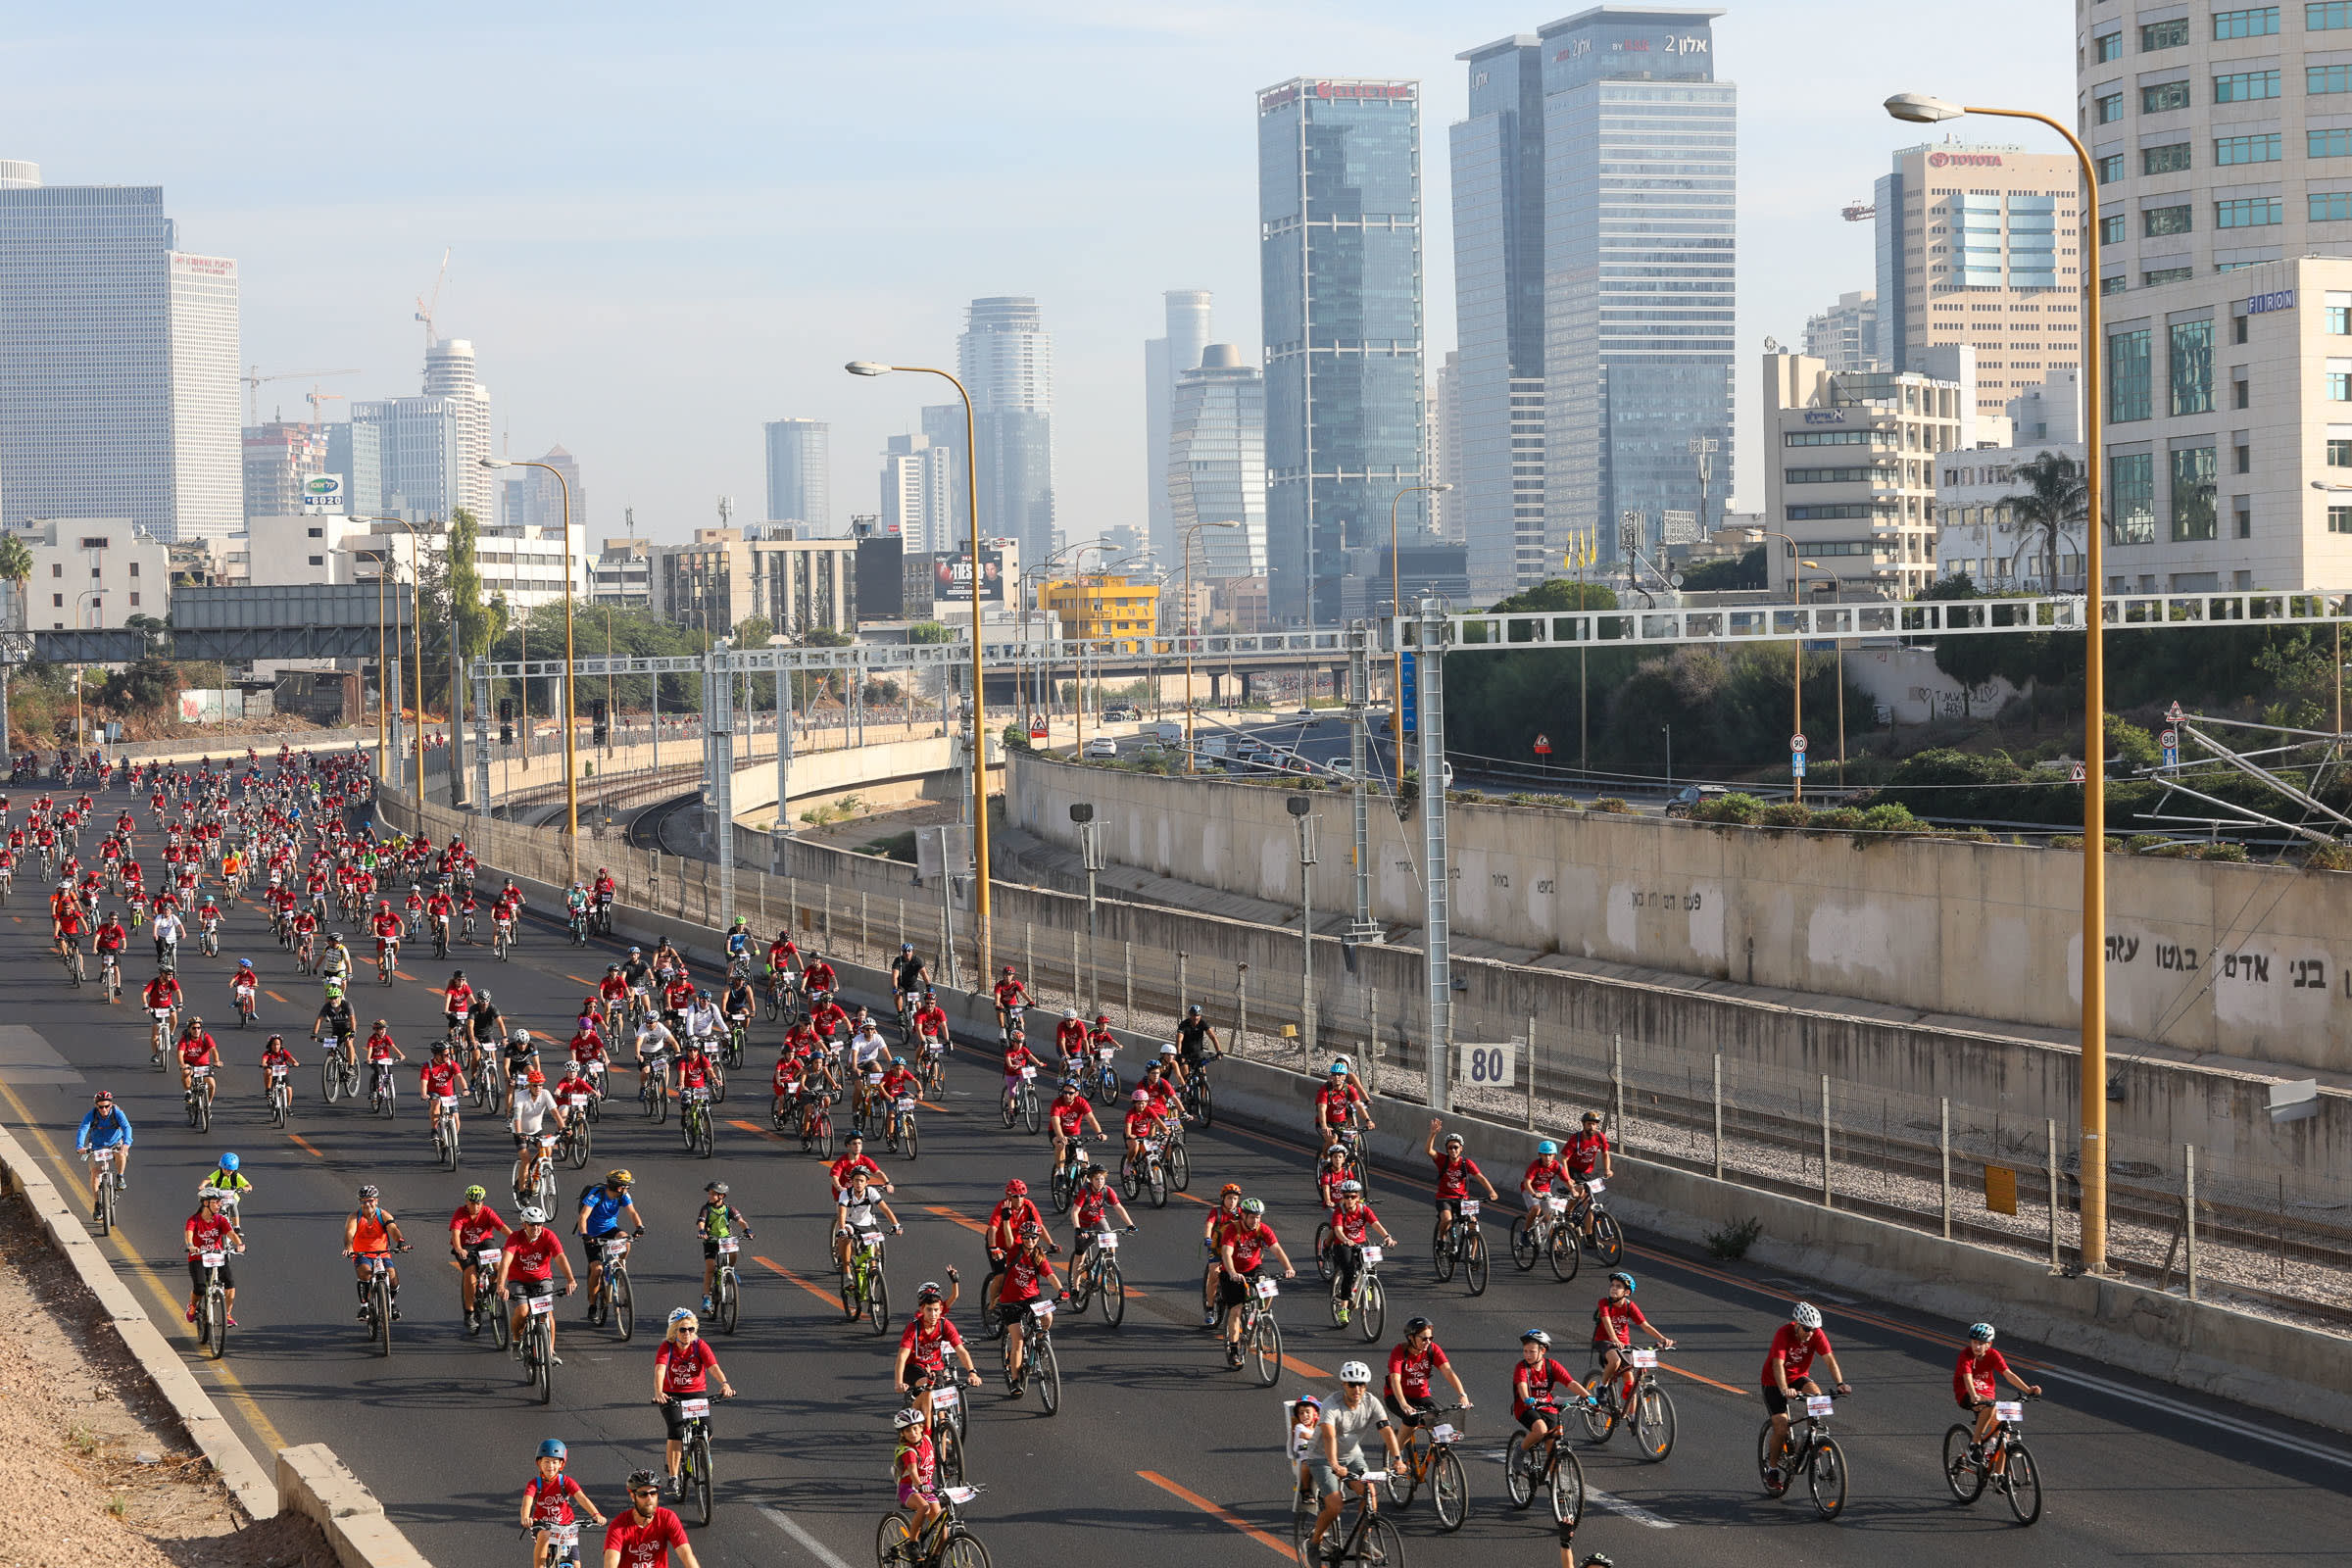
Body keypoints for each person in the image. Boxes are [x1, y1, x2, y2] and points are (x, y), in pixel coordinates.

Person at [1304, 1360, 1402, 1564]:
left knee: (1370, 1493)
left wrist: (1397, 1459)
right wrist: (1334, 1465)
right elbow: (1329, 1437)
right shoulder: (1331, 1405)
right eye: (1352, 1384)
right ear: (1343, 1384)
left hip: (1352, 1455)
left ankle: (1364, 1541)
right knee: (1335, 1505)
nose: (1357, 1389)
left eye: (1361, 1384)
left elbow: (1386, 1430)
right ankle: (1314, 1542)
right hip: (1323, 1458)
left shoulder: (1371, 1402)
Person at [1762, 1301, 1851, 1491]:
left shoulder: (1816, 1334)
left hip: (1798, 1377)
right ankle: (1772, 1470)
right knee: (1781, 1426)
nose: (1810, 1333)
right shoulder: (1783, 1333)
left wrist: (1840, 1383)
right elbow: (1778, 1364)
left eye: (1814, 1329)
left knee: (1817, 1395)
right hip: (1774, 1381)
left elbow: (1829, 1359)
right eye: (1807, 1329)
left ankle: (1811, 1439)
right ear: (1796, 1324)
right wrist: (1784, 1389)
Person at [653, 1308, 734, 1498]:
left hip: (696, 1394)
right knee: (677, 1432)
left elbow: (713, 1366)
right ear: (674, 1331)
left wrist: (724, 1383)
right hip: (672, 1395)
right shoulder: (667, 1347)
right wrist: (658, 1392)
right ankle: (673, 1477)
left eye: (691, 1329)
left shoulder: (699, 1345)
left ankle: (700, 1452)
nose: (687, 1333)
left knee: (708, 1429)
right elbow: (660, 1370)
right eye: (682, 1330)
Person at [1953, 1323, 2040, 1476]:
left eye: (1981, 1343)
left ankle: (1998, 1476)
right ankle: (1975, 1444)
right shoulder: (1966, 1355)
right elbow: (1967, 1377)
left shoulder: (1993, 1355)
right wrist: (1973, 1395)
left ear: (1989, 1344)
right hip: (1966, 1394)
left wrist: (2028, 1390)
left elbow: (2008, 1374)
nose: (1977, 1346)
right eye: (1974, 1342)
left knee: (2004, 1432)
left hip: (1988, 1397)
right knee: (1991, 1407)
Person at [1217, 1197, 1295, 1365]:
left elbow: (1277, 1249)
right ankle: (1234, 1350)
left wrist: (1289, 1268)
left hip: (1253, 1267)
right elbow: (1226, 1253)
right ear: (1243, 1216)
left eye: (1258, 1217)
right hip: (1232, 1272)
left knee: (1269, 1286)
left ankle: (1262, 1314)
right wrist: (1232, 1272)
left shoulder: (1262, 1229)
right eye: (1252, 1217)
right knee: (1236, 1310)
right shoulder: (1232, 1229)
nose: (1256, 1221)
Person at [495, 1205, 577, 1363]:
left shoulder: (548, 1236)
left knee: (547, 1314)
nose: (536, 1228)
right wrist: (501, 1286)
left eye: (539, 1224)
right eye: (532, 1224)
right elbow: (505, 1262)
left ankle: (550, 1351)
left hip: (542, 1280)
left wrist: (570, 1280)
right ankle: (516, 1341)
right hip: (518, 1281)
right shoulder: (514, 1238)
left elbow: (560, 1257)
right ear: (523, 1225)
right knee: (522, 1312)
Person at [993, 1221, 1061, 1396]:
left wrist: (1061, 1290)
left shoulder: (1039, 1256)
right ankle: (1016, 1380)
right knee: (1018, 1340)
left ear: (1038, 1238)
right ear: (1022, 1238)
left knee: (1047, 1317)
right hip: (1010, 1300)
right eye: (1026, 1237)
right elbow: (1008, 1237)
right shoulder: (1014, 1251)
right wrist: (1006, 1221)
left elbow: (1050, 1275)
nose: (1030, 1240)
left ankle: (1039, 1343)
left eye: (1034, 1237)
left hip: (1031, 1297)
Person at [1509, 1329, 1592, 1470]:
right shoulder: (1521, 1368)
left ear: (1543, 1351)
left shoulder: (1551, 1366)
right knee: (1541, 1430)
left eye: (1531, 1351)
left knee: (1553, 1450)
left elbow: (1570, 1383)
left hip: (1548, 1407)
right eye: (1525, 1351)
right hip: (1526, 1408)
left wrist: (1587, 1396)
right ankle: (1520, 1452)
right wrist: (1527, 1398)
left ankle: (1554, 1482)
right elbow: (1522, 1385)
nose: (1527, 1355)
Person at [519, 1438, 607, 1568]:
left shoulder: (566, 1482)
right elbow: (527, 1501)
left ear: (561, 1464)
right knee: (544, 1535)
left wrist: (596, 1514)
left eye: (555, 1462)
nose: (550, 1466)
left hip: (566, 1526)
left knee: (576, 1564)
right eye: (546, 1461)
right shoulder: (534, 1484)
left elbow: (582, 1498)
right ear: (539, 1463)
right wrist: (525, 1518)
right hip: (542, 1525)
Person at [1592, 1271, 1676, 1401]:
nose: (1613, 1288)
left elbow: (1645, 1325)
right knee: (1615, 1361)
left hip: (1624, 1344)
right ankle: (1602, 1387)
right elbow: (1606, 1321)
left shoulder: (1629, 1306)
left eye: (1618, 1286)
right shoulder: (1604, 1302)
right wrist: (1615, 1339)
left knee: (1631, 1385)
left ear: (1627, 1292)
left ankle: (1630, 1414)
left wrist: (1662, 1338)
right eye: (1612, 1285)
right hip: (1604, 1340)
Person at [575, 1170, 645, 1320]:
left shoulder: (623, 1196)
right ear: (619, 1187)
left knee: (625, 1241)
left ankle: (619, 1268)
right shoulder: (596, 1195)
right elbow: (583, 1216)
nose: (627, 1189)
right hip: (592, 1235)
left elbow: (632, 1212)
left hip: (610, 1229)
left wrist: (639, 1226)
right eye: (626, 1186)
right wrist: (585, 1234)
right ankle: (592, 1305)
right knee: (597, 1270)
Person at [894, 1281, 983, 1396]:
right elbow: (902, 1356)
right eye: (929, 1310)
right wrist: (898, 1383)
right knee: (929, 1387)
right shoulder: (913, 1327)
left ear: (941, 1309)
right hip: (914, 1367)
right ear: (922, 1310)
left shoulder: (945, 1324)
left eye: (936, 1310)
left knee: (944, 1390)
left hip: (935, 1367)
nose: (933, 1314)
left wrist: (972, 1372)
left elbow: (961, 1350)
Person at [1325, 1181, 1393, 1326]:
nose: (1349, 1199)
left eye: (1353, 1196)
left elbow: (1375, 1224)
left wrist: (1387, 1237)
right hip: (1343, 1245)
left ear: (1358, 1197)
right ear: (1342, 1197)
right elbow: (1338, 1230)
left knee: (1370, 1267)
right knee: (1349, 1272)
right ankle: (1343, 1308)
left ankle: (1367, 1285)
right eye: (1346, 1196)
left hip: (1361, 1243)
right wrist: (1345, 1239)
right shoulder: (1339, 1212)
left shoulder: (1364, 1210)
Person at [602, 1469, 700, 1568]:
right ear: (633, 1496)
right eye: (643, 1494)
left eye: (653, 1493)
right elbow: (611, 1560)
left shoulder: (667, 1518)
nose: (649, 1499)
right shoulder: (619, 1525)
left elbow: (686, 1554)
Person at [1387, 1315, 1472, 1428]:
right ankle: (1398, 1440)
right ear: (1411, 1338)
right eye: (1424, 1339)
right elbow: (1395, 1379)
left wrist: (1462, 1395)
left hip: (1420, 1394)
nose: (1428, 1342)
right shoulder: (1399, 1351)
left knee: (1436, 1420)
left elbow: (1448, 1371)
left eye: (1430, 1338)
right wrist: (1403, 1404)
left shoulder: (1432, 1349)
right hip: (1396, 1395)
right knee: (1412, 1419)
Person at [981, 1178, 1047, 1316]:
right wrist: (993, 1247)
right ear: (1008, 1196)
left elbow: (1039, 1227)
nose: (1019, 1199)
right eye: (1015, 1196)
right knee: (1000, 1276)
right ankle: (991, 1307)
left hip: (1017, 1245)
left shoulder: (1028, 1205)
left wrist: (1051, 1244)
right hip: (998, 1244)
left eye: (1022, 1196)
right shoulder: (1002, 1206)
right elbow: (992, 1228)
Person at [344, 1185, 410, 1320]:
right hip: (362, 1254)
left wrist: (400, 1241)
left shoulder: (383, 1215)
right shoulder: (354, 1217)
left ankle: (391, 1304)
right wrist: (349, 1247)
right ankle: (364, 1307)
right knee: (365, 1274)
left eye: (370, 1200)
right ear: (360, 1202)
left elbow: (393, 1229)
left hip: (382, 1253)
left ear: (376, 1200)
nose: (367, 1204)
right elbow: (349, 1233)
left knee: (393, 1279)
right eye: (363, 1201)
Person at [449, 1185, 511, 1329]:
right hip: (466, 1246)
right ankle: (469, 1312)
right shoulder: (460, 1213)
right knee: (470, 1274)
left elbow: (502, 1227)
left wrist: (516, 1241)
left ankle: (493, 1288)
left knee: (498, 1266)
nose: (476, 1207)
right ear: (466, 1202)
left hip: (485, 1242)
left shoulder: (487, 1212)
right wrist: (459, 1249)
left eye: (479, 1203)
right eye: (472, 1203)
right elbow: (456, 1233)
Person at [183, 1186, 244, 1327]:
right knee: (200, 1287)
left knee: (229, 1283)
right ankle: (192, 1306)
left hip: (217, 1257)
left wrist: (239, 1244)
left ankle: (227, 1314)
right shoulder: (194, 1220)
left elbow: (231, 1233)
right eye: (216, 1202)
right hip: (198, 1258)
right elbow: (189, 1234)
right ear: (206, 1203)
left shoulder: (220, 1219)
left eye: (220, 1202)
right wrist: (191, 1245)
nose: (219, 1205)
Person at [1426, 1120, 1500, 1237]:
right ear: (1447, 1149)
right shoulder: (1442, 1160)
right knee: (1447, 1219)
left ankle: (1474, 1249)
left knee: (1473, 1225)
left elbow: (1481, 1178)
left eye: (1456, 1147)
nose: (1453, 1150)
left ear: (1461, 1148)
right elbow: (1429, 1151)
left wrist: (1492, 1191)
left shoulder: (1466, 1163)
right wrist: (1433, 1134)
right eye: (1450, 1147)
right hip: (1444, 1198)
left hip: (1462, 1199)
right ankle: (1441, 1239)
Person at [694, 1182, 755, 1316]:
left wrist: (747, 1230)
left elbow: (741, 1221)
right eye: (710, 1193)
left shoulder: (729, 1209)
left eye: (713, 1194)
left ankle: (730, 1271)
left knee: (733, 1253)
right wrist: (702, 1231)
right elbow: (701, 1221)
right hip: (711, 1240)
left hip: (726, 1239)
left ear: (721, 1196)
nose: (710, 1196)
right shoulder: (706, 1208)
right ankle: (706, 1298)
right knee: (710, 1268)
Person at [891, 1406, 945, 1552]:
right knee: (924, 1507)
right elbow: (913, 1472)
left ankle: (935, 1558)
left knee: (943, 1530)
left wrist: (930, 1392)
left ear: (921, 1428)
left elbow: (927, 1412)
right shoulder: (909, 1451)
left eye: (915, 1429)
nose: (913, 1433)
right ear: (902, 1433)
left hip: (927, 1488)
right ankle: (913, 1542)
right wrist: (920, 1485)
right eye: (908, 1431)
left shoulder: (926, 1438)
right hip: (909, 1489)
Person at [834, 1166, 902, 1274]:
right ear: (852, 1181)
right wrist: (842, 1229)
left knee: (872, 1241)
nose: (859, 1183)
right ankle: (847, 1271)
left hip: (866, 1223)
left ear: (867, 1183)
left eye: (862, 1181)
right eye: (856, 1180)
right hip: (850, 1222)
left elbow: (885, 1209)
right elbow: (842, 1213)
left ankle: (873, 1268)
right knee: (846, 1237)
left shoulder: (871, 1192)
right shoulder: (845, 1194)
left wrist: (896, 1224)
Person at [1565, 1111, 1613, 1241]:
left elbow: (1605, 1153)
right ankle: (1568, 1212)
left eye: (1594, 1124)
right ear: (1583, 1124)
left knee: (1589, 1205)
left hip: (1587, 1172)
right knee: (1579, 1192)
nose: (1592, 1127)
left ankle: (1589, 1236)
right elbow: (1564, 1158)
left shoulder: (1600, 1137)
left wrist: (1607, 1169)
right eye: (1589, 1124)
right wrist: (1567, 1178)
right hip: (1573, 1170)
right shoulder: (1576, 1139)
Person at [1047, 1079, 1102, 1174]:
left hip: (1074, 1134)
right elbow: (1055, 1122)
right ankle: (1060, 1173)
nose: (1067, 1095)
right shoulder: (1057, 1103)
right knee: (1060, 1144)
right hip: (1057, 1132)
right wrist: (1061, 1136)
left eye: (1070, 1093)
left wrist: (1099, 1133)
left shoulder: (1081, 1102)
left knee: (1084, 1162)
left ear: (1077, 1093)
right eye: (1065, 1092)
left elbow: (1091, 1119)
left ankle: (1081, 1181)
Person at [1314, 1061, 1372, 1149]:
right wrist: (1324, 1126)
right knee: (1333, 1140)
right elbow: (1321, 1110)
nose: (1337, 1077)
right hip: (1326, 1123)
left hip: (1341, 1123)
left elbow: (1358, 1106)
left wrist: (1368, 1120)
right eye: (1334, 1074)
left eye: (1340, 1074)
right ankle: (1324, 1156)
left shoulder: (1349, 1089)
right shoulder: (1325, 1090)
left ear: (1344, 1076)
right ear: (1331, 1076)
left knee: (1349, 1143)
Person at [176, 1016, 222, 1109]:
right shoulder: (185, 1039)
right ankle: (188, 1093)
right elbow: (180, 1053)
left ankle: (208, 1105)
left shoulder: (205, 1037)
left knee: (212, 1084)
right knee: (185, 1073)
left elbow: (213, 1050)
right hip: (190, 1064)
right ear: (189, 1029)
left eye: (198, 1028)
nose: (196, 1030)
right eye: (193, 1028)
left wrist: (216, 1061)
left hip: (204, 1065)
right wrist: (182, 1064)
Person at [196, 1152, 252, 1217]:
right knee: (206, 1207)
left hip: (231, 1197)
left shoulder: (237, 1176)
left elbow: (248, 1186)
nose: (227, 1172)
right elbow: (208, 1179)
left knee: (233, 1206)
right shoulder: (218, 1173)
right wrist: (202, 1185)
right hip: (217, 1196)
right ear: (221, 1167)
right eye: (225, 1169)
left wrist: (246, 1188)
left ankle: (236, 1223)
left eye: (230, 1170)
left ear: (234, 1170)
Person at [890, 943, 930, 1015]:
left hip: (912, 985)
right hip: (901, 985)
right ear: (902, 952)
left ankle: (918, 1018)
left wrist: (928, 986)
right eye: (905, 951)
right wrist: (895, 988)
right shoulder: (898, 961)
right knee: (898, 996)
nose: (907, 953)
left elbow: (924, 974)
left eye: (909, 951)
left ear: (912, 951)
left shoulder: (917, 960)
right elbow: (894, 976)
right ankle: (900, 1014)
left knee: (918, 1004)